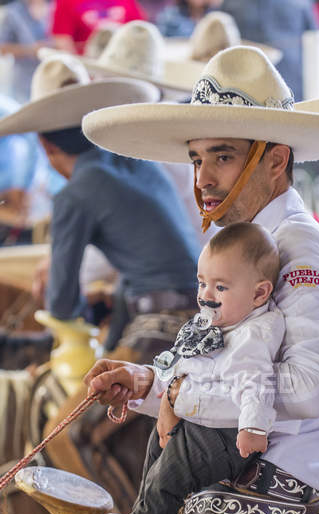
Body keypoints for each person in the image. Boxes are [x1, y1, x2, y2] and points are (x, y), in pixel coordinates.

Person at [79, 45, 319, 514]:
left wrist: (183, 396)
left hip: (269, 491)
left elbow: (310, 391)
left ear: (275, 160)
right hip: (232, 474)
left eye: (222, 156)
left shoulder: (300, 251)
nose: (202, 178)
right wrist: (147, 384)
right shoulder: (247, 244)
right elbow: (229, 365)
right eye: (197, 158)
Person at [76, 221, 285, 514]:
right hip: (201, 422)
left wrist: (252, 427)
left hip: (227, 434)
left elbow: (256, 385)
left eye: (221, 287)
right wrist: (157, 384)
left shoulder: (253, 335)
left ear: (259, 294)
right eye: (202, 283)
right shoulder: (220, 322)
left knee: (172, 467)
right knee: (156, 452)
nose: (206, 295)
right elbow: (181, 364)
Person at [0, 54, 199, 349]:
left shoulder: (76, 193)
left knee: (87, 392)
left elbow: (61, 306)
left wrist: (78, 304)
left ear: (45, 144)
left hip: (163, 323)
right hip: (198, 309)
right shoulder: (134, 161)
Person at [0, 0, 52, 102]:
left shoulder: (56, 7)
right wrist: (32, 50)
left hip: (54, 79)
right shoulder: (13, 12)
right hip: (24, 83)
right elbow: (3, 48)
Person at [50, 0, 146, 54]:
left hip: (122, 63)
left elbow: (139, 30)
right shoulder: (66, 2)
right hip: (89, 66)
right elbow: (62, 40)